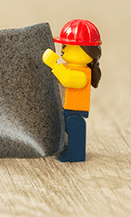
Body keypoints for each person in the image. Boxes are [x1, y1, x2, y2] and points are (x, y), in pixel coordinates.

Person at [42, 19, 102, 162]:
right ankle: (62, 150)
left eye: (67, 45)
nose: (63, 48)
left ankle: (74, 154)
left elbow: (68, 79)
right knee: (64, 130)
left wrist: (53, 64)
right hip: (64, 108)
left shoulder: (82, 74)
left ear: (86, 50)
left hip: (75, 110)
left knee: (74, 130)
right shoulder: (67, 68)